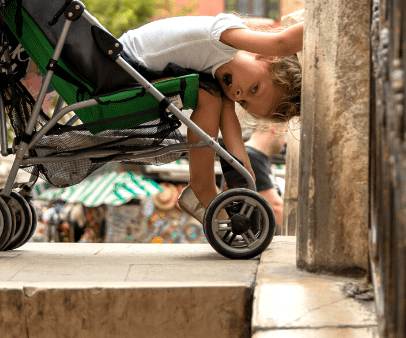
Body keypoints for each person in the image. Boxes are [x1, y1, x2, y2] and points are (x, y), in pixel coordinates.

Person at [118, 13, 302, 222]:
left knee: (213, 96)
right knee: (208, 96)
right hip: (121, 64)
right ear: (267, 56)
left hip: (133, 72)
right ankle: (201, 189)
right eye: (254, 88)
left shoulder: (216, 76)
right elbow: (283, 43)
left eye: (244, 103)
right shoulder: (224, 38)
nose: (238, 96)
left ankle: (205, 193)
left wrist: (244, 177)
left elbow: (233, 135)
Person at [219, 121, 286, 229]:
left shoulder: (258, 158)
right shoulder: (250, 158)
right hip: (255, 239)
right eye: (285, 132)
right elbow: (275, 207)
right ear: (275, 127)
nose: (285, 141)